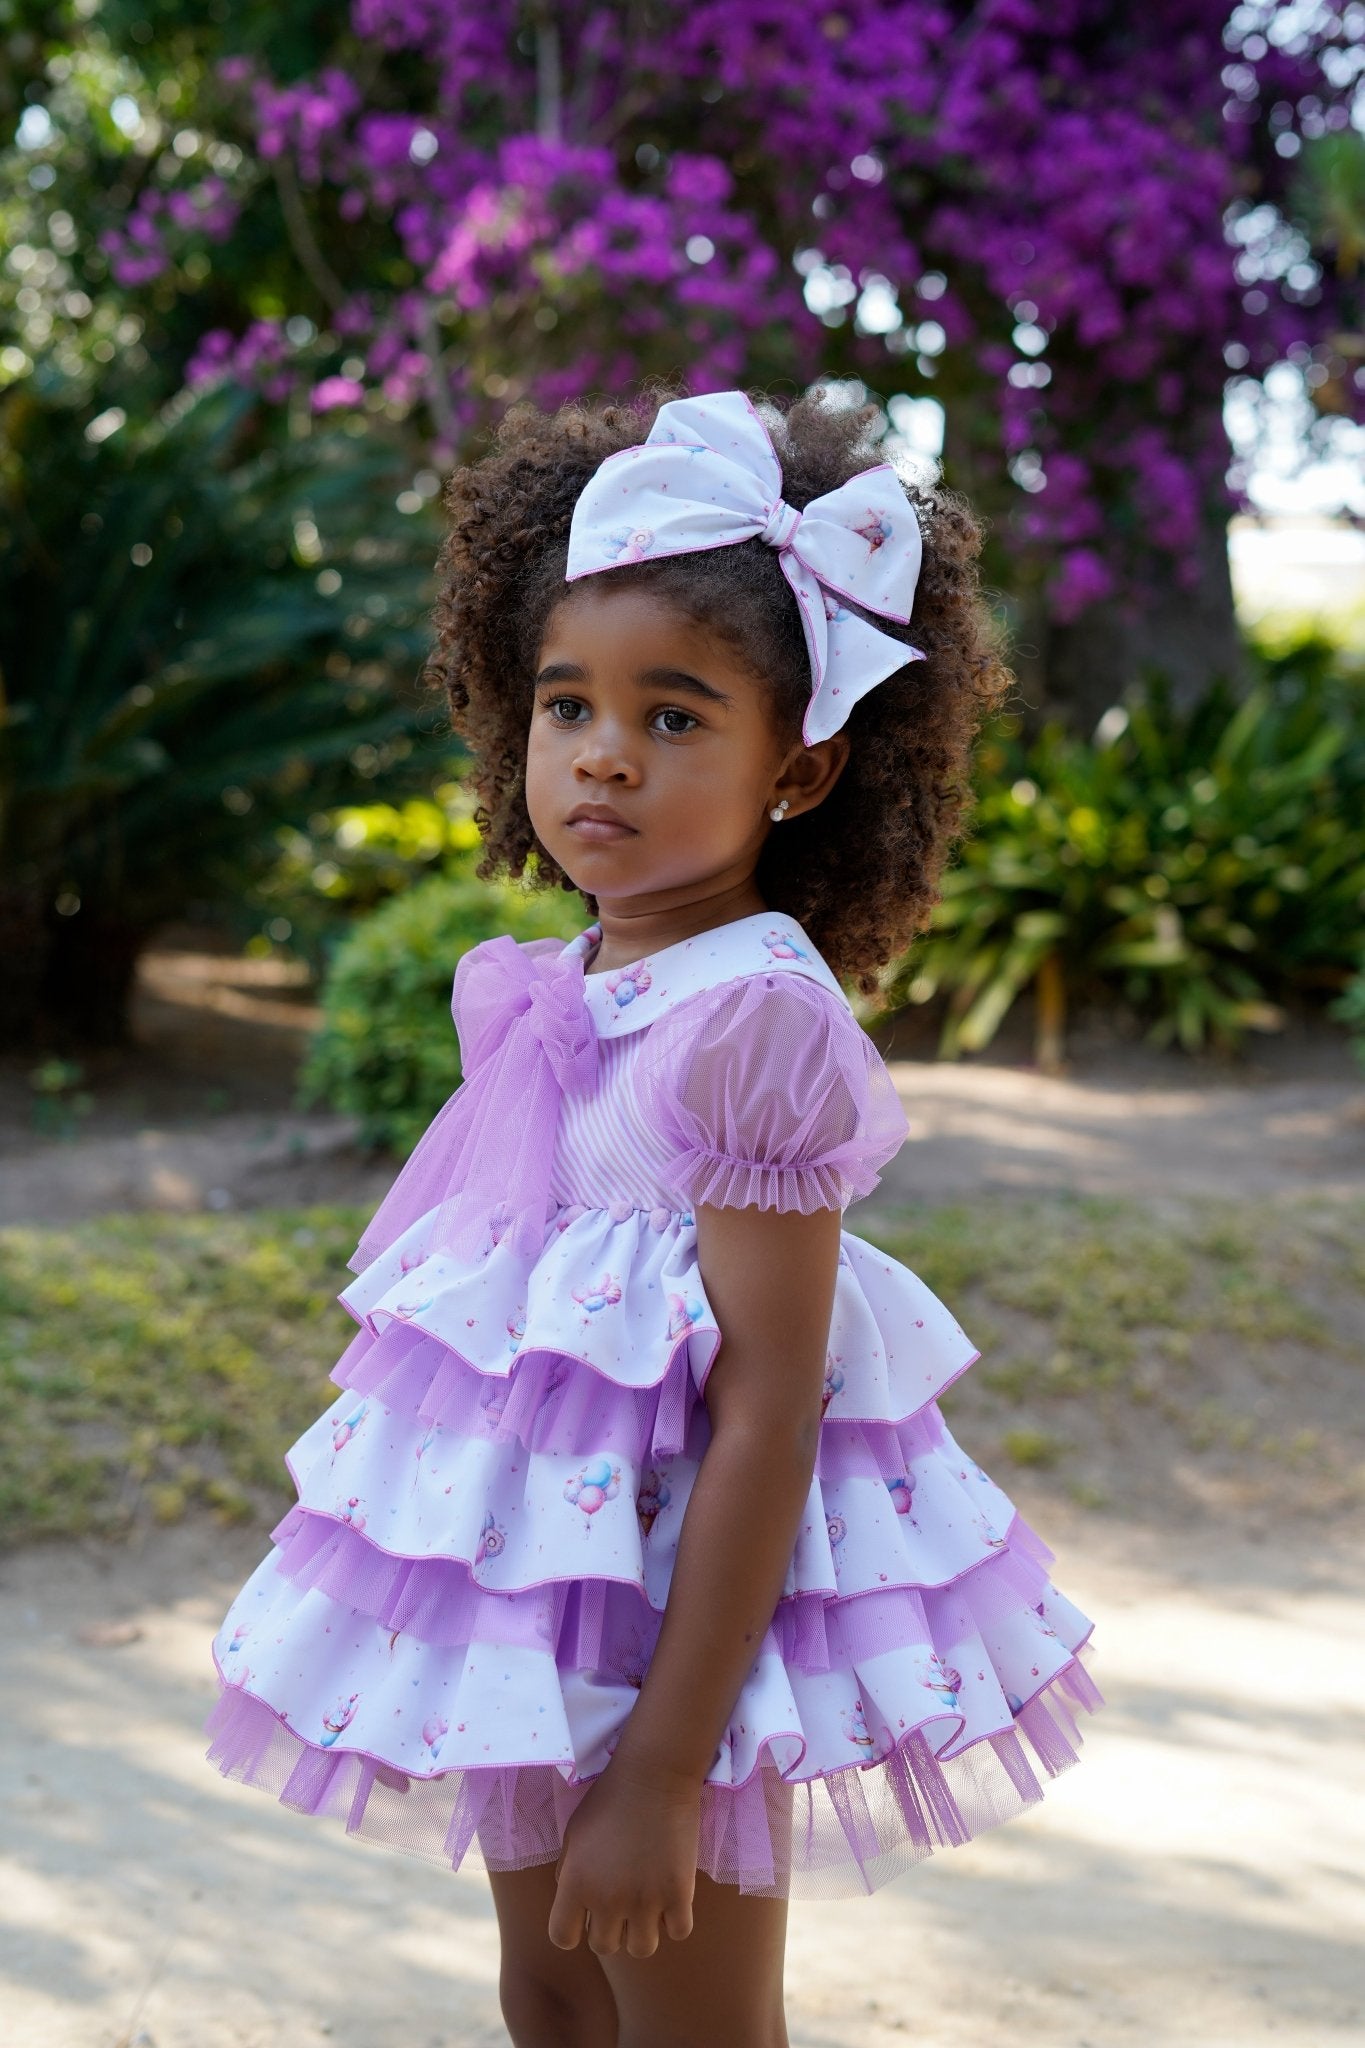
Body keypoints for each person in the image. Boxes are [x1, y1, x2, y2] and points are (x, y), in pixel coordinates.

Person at [203, 386, 1104, 2048]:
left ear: (803, 765)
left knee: (684, 2021)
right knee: (546, 1990)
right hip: (537, 1591)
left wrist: (663, 1775)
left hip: (689, 1632)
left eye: (676, 717)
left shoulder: (753, 1023)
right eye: (566, 705)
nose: (604, 751)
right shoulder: (569, 980)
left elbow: (772, 1401)